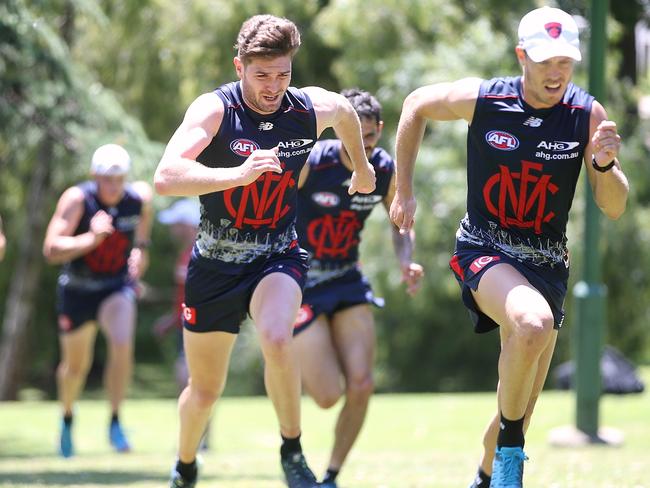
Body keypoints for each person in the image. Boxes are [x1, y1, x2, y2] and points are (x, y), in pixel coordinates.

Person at [389, 7, 628, 488]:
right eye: (545, 61)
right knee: (532, 323)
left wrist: (604, 165)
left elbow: (614, 206)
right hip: (485, 249)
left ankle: (487, 473)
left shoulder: (586, 114)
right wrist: (403, 189)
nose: (556, 72)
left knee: (516, 404)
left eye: (565, 61)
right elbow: (415, 104)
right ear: (522, 56)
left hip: (547, 266)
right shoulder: (485, 99)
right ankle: (512, 454)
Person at [153, 14, 376, 488]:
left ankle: (292, 450)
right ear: (240, 67)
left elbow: (343, 110)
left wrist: (362, 168)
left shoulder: (306, 108)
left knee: (277, 337)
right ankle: (186, 463)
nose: (274, 86)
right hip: (214, 262)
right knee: (205, 391)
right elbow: (166, 176)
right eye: (262, 75)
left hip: (278, 252)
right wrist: (236, 174)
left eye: (283, 73)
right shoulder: (215, 110)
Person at [292, 88, 423, 487]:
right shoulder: (312, 163)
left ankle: (330, 477)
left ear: (380, 132)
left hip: (348, 277)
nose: (360, 148)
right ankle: (286, 354)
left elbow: (401, 221)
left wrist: (405, 260)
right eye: (352, 136)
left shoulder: (384, 170)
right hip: (302, 283)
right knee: (328, 395)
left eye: (368, 138)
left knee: (362, 385)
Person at [43, 143, 153, 458]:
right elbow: (51, 249)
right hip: (78, 289)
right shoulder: (78, 200)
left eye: (119, 179)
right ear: (95, 176)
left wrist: (139, 252)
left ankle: (115, 421)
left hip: (115, 287)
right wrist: (91, 238)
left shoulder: (137, 200)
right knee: (76, 366)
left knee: (121, 342)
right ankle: (66, 418)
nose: (114, 186)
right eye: (107, 179)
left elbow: (143, 229)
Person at [152, 198, 211, 449]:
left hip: (202, 327)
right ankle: (196, 436)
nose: (172, 230)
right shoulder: (183, 255)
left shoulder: (203, 253)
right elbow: (182, 298)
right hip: (184, 327)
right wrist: (171, 320)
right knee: (188, 380)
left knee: (195, 380)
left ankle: (201, 438)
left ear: (188, 225)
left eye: (176, 224)